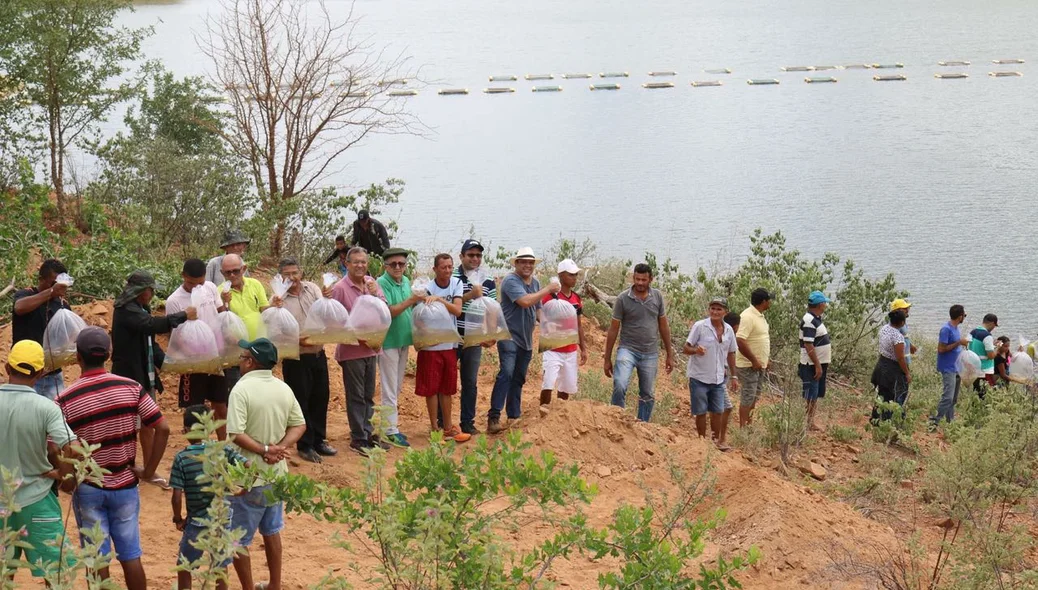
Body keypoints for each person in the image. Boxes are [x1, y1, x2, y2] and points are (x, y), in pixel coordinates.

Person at [59, 327, 171, 590]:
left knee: (97, 560)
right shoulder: (131, 387)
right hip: (125, 484)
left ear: (77, 357)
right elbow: (163, 428)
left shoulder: (65, 399)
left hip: (89, 486)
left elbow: (62, 448)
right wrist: (148, 471)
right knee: (131, 555)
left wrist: (68, 481)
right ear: (108, 355)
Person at [226, 338, 306, 590]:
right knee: (271, 531)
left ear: (250, 362)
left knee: (237, 538)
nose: (240, 360)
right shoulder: (283, 388)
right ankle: (274, 585)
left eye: (242, 357)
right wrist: (280, 447)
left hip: (247, 477)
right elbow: (299, 424)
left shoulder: (241, 389)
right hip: (276, 475)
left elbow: (235, 433)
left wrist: (265, 449)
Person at [0, 340, 76, 580]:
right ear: (41, 373)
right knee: (57, 573)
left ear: (6, 368)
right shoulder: (47, 408)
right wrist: (62, 473)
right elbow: (73, 449)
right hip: (38, 500)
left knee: (3, 573)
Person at [112, 271, 194, 487]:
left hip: (145, 375)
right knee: (128, 426)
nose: (152, 293)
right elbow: (151, 326)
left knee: (148, 424)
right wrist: (183, 315)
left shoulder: (141, 308)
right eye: (150, 290)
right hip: (129, 378)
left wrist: (167, 363)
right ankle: (123, 469)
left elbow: (150, 342)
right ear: (140, 291)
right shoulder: (126, 310)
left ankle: (148, 471)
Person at [170, 405, 246, 590]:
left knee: (186, 566)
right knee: (220, 566)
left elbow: (177, 496)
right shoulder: (222, 450)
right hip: (221, 519)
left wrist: (178, 518)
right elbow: (248, 464)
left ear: (186, 431)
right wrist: (244, 487)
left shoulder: (182, 458)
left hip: (196, 523)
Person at [487, 248, 559, 434]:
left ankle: (513, 415)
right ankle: (494, 416)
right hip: (509, 335)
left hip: (526, 338)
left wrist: (546, 324)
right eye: (523, 262)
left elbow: (537, 308)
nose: (527, 265)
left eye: (530, 262)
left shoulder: (535, 283)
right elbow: (525, 301)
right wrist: (548, 289)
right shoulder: (510, 281)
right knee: (507, 373)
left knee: (518, 377)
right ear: (516, 264)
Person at [276, 258, 337, 463]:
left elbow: (323, 311)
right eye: (287, 274)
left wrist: (328, 296)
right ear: (280, 278)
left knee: (321, 397)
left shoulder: (312, 289)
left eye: (295, 273)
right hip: (296, 357)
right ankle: (305, 445)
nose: (292, 278)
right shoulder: (278, 299)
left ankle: (320, 440)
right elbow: (275, 332)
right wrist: (298, 339)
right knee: (301, 401)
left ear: (301, 273)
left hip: (318, 354)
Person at [331, 247, 390, 456]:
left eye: (363, 262)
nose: (360, 266)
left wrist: (375, 293)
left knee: (368, 395)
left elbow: (384, 308)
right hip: (353, 350)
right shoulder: (340, 288)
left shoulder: (371, 283)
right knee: (356, 395)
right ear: (346, 264)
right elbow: (336, 321)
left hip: (372, 349)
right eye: (355, 262)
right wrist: (362, 337)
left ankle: (368, 432)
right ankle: (358, 437)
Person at [166, 258, 229, 440]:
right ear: (183, 276)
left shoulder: (209, 287)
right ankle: (197, 451)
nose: (196, 287)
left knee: (220, 405)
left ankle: (223, 447)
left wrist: (226, 304)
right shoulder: (174, 301)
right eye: (191, 283)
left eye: (200, 282)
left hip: (215, 358)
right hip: (192, 362)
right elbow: (174, 337)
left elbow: (220, 314)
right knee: (194, 409)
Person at [604, 263, 675, 422]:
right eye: (637, 279)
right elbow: (614, 329)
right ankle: (616, 419)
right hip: (627, 350)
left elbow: (663, 325)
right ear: (633, 278)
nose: (640, 283)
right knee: (620, 384)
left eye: (644, 279)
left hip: (650, 353)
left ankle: (642, 426)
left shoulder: (657, 297)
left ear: (651, 279)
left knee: (647, 393)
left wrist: (669, 354)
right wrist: (607, 358)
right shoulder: (623, 298)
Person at [416, 254, 471, 443]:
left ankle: (448, 427)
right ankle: (434, 429)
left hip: (449, 343)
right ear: (435, 269)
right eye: (443, 267)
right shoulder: (426, 288)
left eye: (450, 267)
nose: (447, 271)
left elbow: (457, 310)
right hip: (430, 347)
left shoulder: (456, 283)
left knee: (447, 388)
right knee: (431, 388)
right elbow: (419, 318)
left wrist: (439, 300)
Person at [376, 247, 421, 448]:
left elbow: (411, 310)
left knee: (397, 385)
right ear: (385, 265)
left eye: (401, 264)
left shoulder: (405, 282)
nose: (397, 267)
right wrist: (412, 299)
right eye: (393, 264)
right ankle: (389, 430)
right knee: (389, 387)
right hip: (388, 341)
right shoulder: (380, 284)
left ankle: (390, 426)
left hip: (403, 341)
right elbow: (389, 312)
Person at [454, 238, 498, 435]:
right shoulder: (452, 277)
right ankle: (442, 423)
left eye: (478, 255)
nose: (475, 258)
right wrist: (470, 295)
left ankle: (467, 422)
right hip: (451, 336)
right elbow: (446, 304)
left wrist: (491, 334)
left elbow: (492, 309)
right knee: (446, 381)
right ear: (461, 256)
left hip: (474, 338)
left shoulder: (488, 280)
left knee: (470, 382)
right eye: (470, 255)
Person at [683, 298, 739, 451]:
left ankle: (715, 442)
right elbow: (686, 348)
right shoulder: (700, 326)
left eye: (719, 309)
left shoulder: (728, 331)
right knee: (700, 411)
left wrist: (734, 376)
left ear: (725, 312)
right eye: (712, 308)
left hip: (718, 378)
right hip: (699, 377)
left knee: (718, 411)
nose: (715, 312)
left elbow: (731, 353)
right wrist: (696, 350)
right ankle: (702, 442)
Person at [12, 258, 72, 399]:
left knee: (54, 414)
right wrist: (51, 292)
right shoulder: (26, 294)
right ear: (41, 279)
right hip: (25, 374)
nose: (57, 287)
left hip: (52, 375)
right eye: (53, 283)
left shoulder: (62, 305)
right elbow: (19, 308)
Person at [539, 259, 588, 416]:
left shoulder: (576, 299)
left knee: (566, 385)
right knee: (548, 382)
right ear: (561, 275)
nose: (574, 278)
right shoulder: (551, 296)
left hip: (570, 349)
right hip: (553, 348)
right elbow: (540, 314)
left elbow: (578, 325)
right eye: (571, 275)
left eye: (576, 275)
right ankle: (543, 411)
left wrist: (583, 349)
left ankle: (560, 414)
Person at [219, 253, 270, 400]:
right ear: (222, 273)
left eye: (236, 270)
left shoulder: (255, 284)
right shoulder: (219, 291)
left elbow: (264, 311)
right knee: (238, 394)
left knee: (260, 395)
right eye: (228, 272)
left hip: (259, 352)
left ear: (244, 268)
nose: (232, 275)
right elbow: (221, 323)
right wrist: (224, 303)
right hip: (235, 355)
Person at [735, 288, 771, 426]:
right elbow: (740, 340)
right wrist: (754, 360)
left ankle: (748, 425)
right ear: (763, 302)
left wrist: (766, 360)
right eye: (769, 300)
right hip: (748, 365)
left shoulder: (759, 315)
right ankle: (743, 429)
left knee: (755, 396)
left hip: (758, 365)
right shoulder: (747, 316)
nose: (770, 302)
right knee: (748, 397)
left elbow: (760, 339)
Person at [931, 305, 970, 428]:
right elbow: (941, 349)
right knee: (947, 397)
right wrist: (959, 342)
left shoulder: (955, 328)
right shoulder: (946, 329)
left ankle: (950, 422)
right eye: (964, 315)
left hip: (956, 367)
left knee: (953, 398)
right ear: (960, 317)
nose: (964, 317)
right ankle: (934, 422)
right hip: (947, 368)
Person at [870, 310, 911, 424]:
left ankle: (876, 418)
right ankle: (888, 420)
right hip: (892, 368)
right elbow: (900, 358)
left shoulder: (884, 329)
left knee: (882, 393)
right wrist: (907, 373)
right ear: (902, 322)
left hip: (882, 362)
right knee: (893, 394)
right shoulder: (898, 337)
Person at [799, 290, 832, 432]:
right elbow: (808, 344)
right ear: (820, 304)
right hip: (811, 364)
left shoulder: (815, 319)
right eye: (824, 303)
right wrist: (818, 365)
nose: (825, 305)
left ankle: (810, 421)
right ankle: (808, 423)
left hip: (817, 364)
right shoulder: (809, 321)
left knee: (815, 393)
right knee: (811, 394)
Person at [719, 312, 741, 446]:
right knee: (727, 407)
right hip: (717, 376)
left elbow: (730, 354)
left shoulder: (726, 334)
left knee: (720, 407)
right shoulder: (725, 334)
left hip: (723, 373)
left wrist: (733, 375)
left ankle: (717, 438)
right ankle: (719, 439)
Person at [967, 313, 998, 398]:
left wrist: (992, 345)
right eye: (994, 326)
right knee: (986, 394)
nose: (993, 328)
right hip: (985, 369)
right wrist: (997, 349)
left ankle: (975, 410)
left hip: (974, 368)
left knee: (976, 391)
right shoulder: (987, 336)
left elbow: (972, 347)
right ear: (992, 323)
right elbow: (991, 355)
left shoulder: (973, 332)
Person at [890, 299, 918, 364]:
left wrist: (910, 345)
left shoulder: (902, 322)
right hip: (899, 362)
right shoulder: (896, 324)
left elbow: (904, 337)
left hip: (905, 360)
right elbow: (895, 343)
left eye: (907, 308)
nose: (907, 310)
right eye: (904, 308)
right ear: (897, 311)